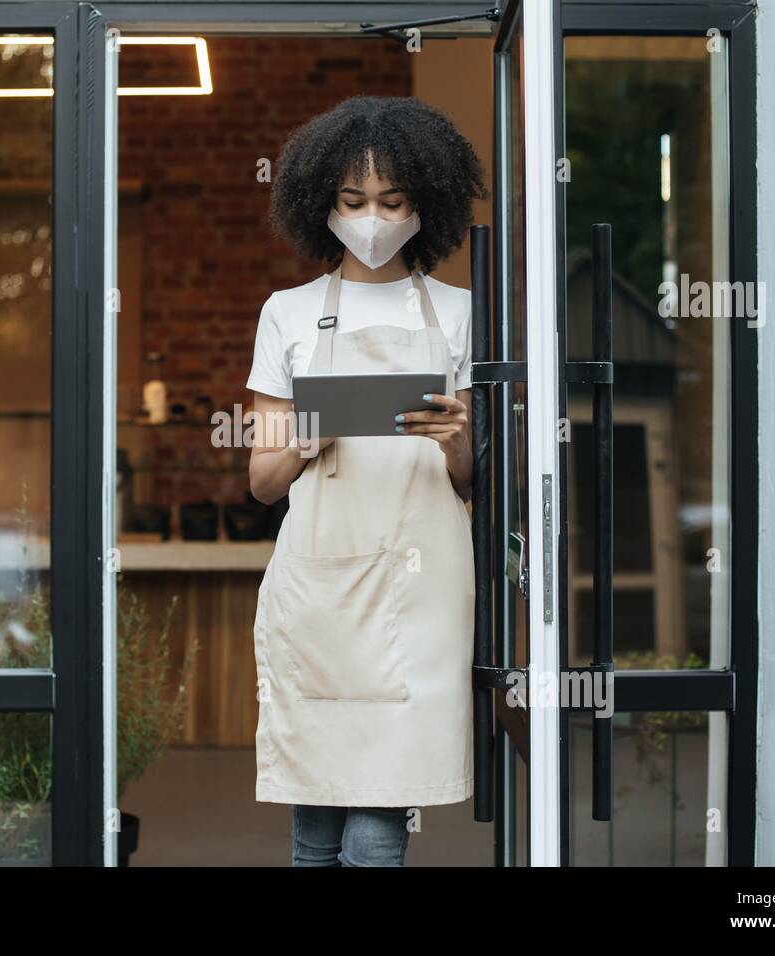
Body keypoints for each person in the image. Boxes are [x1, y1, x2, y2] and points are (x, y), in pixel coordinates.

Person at [246, 95, 487, 867]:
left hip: (422, 592)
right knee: (315, 823)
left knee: (381, 826)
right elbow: (260, 481)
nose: (373, 218)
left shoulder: (463, 314)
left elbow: (478, 482)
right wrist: (301, 446)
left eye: (392, 201)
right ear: (323, 204)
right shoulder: (287, 313)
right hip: (320, 589)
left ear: (426, 203)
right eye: (354, 202)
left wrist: (458, 440)